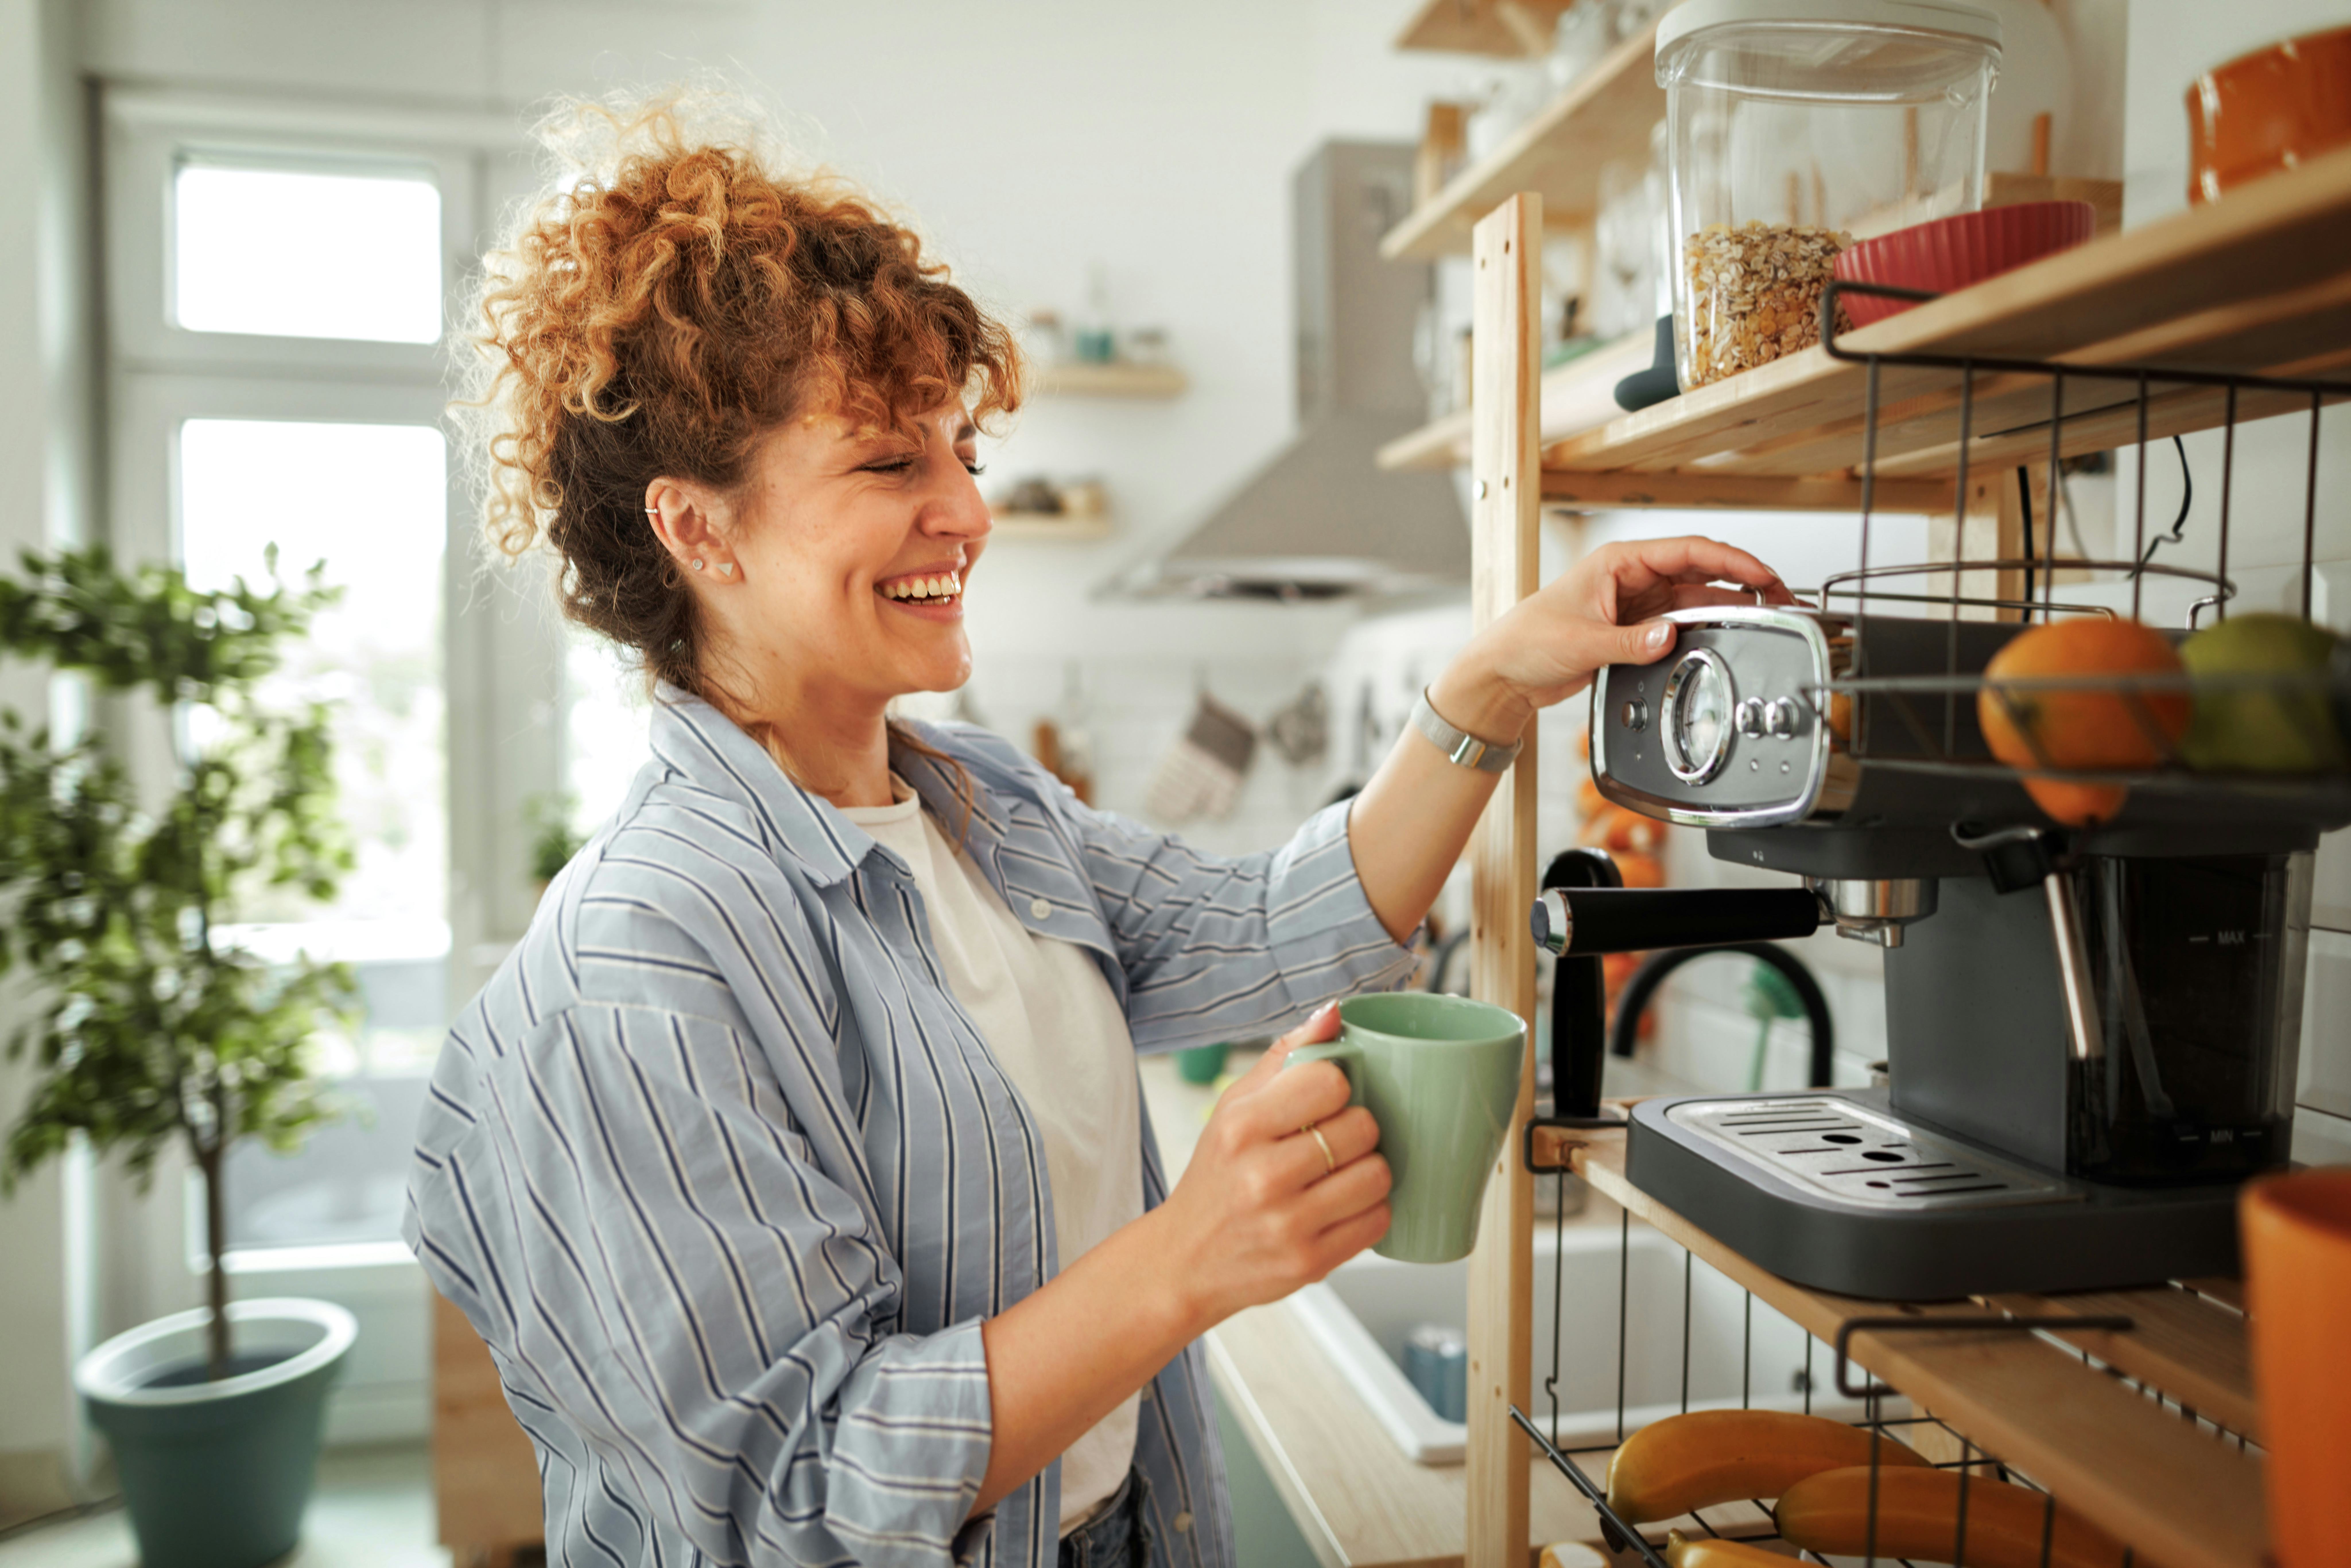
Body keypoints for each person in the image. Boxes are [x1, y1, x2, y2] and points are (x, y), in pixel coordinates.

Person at [403, 95, 1791, 1568]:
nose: (964, 513)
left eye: (962, 453)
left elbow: (1272, 930)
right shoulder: (646, 957)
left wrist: (1493, 680)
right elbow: (790, 1503)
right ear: (700, 530)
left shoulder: (980, 806)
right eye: (890, 465)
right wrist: (1186, 1260)